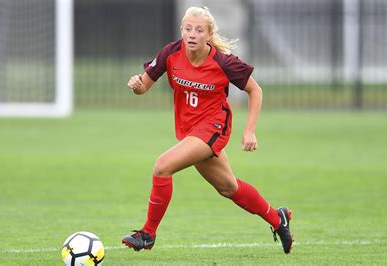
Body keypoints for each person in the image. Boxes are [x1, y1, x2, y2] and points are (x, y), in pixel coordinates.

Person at [121, 6, 294, 254]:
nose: (192, 34)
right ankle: (279, 220)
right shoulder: (171, 52)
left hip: (214, 126)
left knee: (162, 166)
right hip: (189, 130)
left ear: (209, 34)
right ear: (181, 30)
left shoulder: (223, 62)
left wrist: (249, 131)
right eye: (188, 28)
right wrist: (136, 84)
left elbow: (255, 90)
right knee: (228, 187)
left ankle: (147, 233)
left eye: (199, 30)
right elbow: (143, 87)